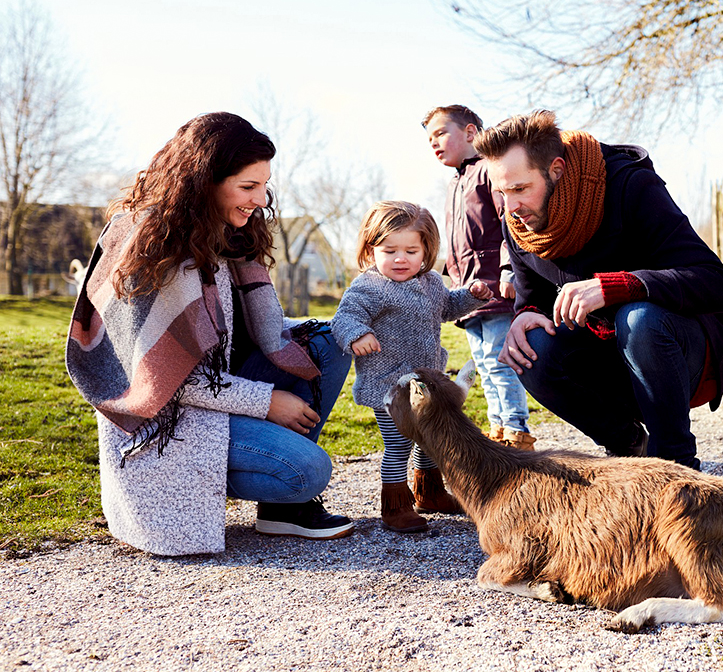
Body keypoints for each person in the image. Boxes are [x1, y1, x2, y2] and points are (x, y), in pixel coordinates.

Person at [65, 112, 355, 556]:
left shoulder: (228, 235)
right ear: (205, 180)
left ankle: (283, 510)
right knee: (307, 470)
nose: (260, 199)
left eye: (264, 186)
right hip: (169, 420)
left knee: (330, 340)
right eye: (248, 186)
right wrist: (267, 402)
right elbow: (163, 380)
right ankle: (285, 489)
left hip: (220, 387)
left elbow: (258, 332)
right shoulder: (150, 245)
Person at [476, 110, 723, 471]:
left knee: (638, 317)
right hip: (609, 356)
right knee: (529, 346)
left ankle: (677, 467)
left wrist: (617, 286)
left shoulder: (630, 186)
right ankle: (628, 447)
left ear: (556, 170)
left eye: (520, 188)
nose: (511, 207)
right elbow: (532, 297)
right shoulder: (519, 223)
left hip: (684, 351)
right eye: (501, 192)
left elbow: (716, 283)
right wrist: (525, 315)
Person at [330, 201, 492, 533]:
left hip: (427, 383)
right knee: (399, 445)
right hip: (389, 387)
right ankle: (395, 505)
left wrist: (473, 296)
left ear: (426, 251)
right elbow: (344, 317)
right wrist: (357, 334)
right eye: (389, 251)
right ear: (371, 250)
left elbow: (448, 307)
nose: (400, 259)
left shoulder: (431, 282)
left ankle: (429, 492)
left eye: (411, 251)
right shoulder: (369, 287)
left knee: (430, 438)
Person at [423, 104, 535, 451]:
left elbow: (511, 222)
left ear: (470, 132)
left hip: (495, 287)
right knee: (484, 366)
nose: (434, 143)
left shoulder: (489, 170)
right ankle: (498, 427)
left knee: (500, 361)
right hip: (469, 293)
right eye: (429, 139)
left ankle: (516, 430)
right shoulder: (455, 183)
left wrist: (508, 268)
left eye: (441, 133)